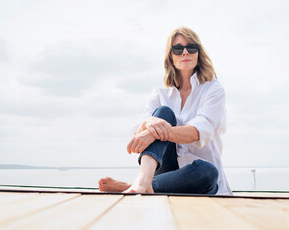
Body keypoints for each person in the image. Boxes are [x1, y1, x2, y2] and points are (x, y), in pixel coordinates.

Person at [98, 27, 232, 195]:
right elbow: (138, 132)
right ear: (170, 57)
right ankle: (143, 180)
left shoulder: (213, 89)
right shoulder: (159, 94)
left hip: (197, 177)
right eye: (178, 49)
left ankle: (132, 185)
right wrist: (148, 123)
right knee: (163, 112)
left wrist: (154, 133)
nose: (185, 53)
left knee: (208, 171)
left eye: (191, 48)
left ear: (198, 53)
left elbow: (199, 131)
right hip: (165, 170)